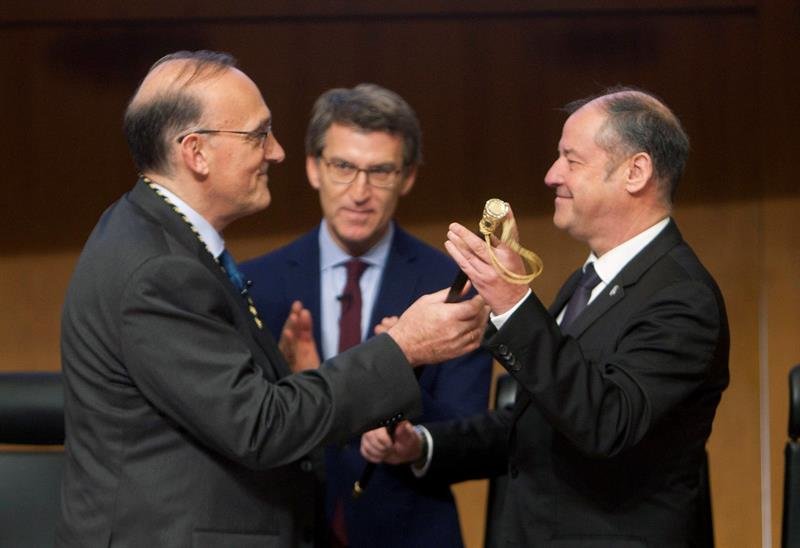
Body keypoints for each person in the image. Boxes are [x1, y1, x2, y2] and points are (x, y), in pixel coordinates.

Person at [56, 50, 488, 548]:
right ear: (196, 152)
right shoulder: (161, 268)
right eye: (259, 135)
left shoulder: (154, 236)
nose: (276, 151)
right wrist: (402, 348)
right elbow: (258, 425)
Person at [362, 87, 730, 547]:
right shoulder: (587, 280)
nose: (552, 175)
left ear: (636, 172)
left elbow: (605, 421)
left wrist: (515, 304)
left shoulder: (682, 296)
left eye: (571, 160)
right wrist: (423, 445)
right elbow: (536, 423)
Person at [241, 84, 493, 548]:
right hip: (290, 529)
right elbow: (239, 430)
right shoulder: (256, 284)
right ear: (313, 168)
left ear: (408, 176)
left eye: (380, 171)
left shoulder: (453, 287)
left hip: (411, 532)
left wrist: (412, 435)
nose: (360, 192)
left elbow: (475, 437)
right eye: (343, 167)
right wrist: (298, 388)